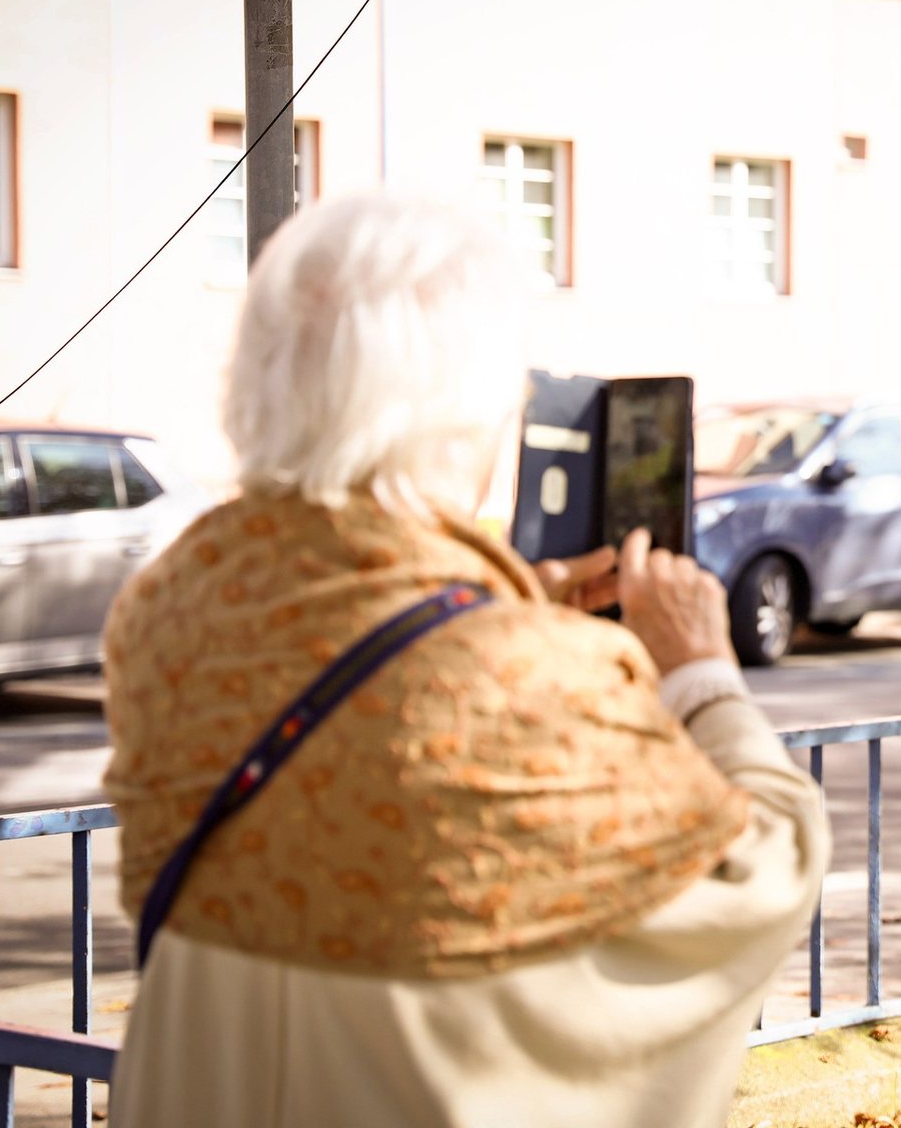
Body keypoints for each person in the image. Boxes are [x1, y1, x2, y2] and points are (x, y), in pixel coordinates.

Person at [100, 192, 830, 1127]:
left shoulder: (170, 603)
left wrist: (503, 603)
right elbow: (765, 870)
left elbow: (359, 656)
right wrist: (697, 667)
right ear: (466, 413)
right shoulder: (522, 669)